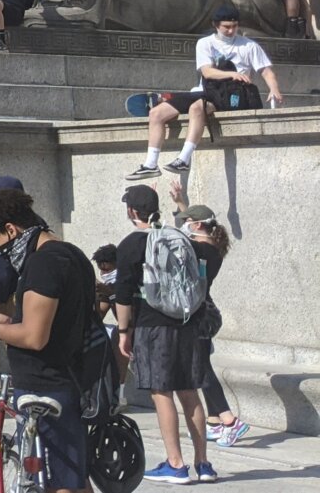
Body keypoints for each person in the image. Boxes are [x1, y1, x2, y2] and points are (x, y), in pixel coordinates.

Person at [0, 188, 97, 493]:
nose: (0, 251)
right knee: (71, 476)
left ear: (11, 229)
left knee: (57, 482)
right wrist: (11, 322)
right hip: (67, 379)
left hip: (46, 385)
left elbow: (35, 337)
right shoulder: (71, 253)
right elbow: (61, 320)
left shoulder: (43, 264)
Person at [115, 184, 218, 484]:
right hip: (187, 322)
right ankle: (204, 463)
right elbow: (207, 258)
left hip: (153, 324)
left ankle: (175, 463)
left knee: (162, 394)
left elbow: (122, 295)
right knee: (190, 392)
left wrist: (124, 332)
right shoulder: (181, 238)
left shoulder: (132, 245)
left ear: (132, 212)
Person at [126, 7, 284, 180]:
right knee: (156, 113)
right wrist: (232, 73)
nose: (231, 31)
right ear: (215, 25)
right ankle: (150, 164)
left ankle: (184, 158)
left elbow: (267, 72)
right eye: (226, 27)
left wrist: (274, 89)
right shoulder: (205, 43)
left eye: (234, 26)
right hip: (208, 91)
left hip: (234, 96)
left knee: (196, 106)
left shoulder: (249, 45)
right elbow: (207, 72)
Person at [161, 182, 247, 449]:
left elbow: (178, 241)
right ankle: (212, 422)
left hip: (196, 315)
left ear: (197, 225)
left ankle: (229, 420)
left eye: (188, 222)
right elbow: (192, 231)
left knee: (201, 369)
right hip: (203, 313)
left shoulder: (198, 250)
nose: (184, 224)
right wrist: (181, 204)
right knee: (202, 365)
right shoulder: (211, 248)